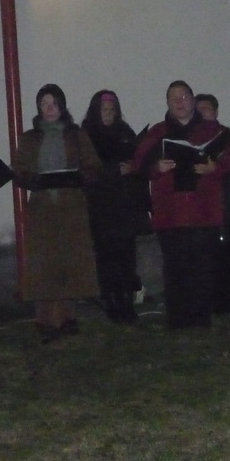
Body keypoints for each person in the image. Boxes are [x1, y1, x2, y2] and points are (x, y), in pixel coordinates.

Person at [133, 80, 230, 330]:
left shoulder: (214, 131)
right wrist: (156, 167)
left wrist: (215, 168)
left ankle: (201, 320)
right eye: (173, 98)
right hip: (170, 214)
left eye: (183, 97)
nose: (179, 102)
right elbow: (138, 164)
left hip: (204, 212)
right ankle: (179, 321)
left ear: (192, 100)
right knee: (175, 268)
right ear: (167, 103)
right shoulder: (157, 133)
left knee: (202, 268)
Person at [12, 84, 104, 342]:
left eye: (53, 103)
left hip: (71, 206)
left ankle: (67, 317)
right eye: (44, 104)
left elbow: (94, 165)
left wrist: (79, 177)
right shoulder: (30, 138)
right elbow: (18, 169)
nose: (49, 108)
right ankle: (46, 319)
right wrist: (32, 179)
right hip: (42, 207)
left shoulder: (76, 135)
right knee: (44, 263)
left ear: (62, 106)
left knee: (70, 260)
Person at [81, 90, 148, 323]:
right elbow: (86, 172)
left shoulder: (125, 132)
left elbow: (138, 160)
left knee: (127, 257)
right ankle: (113, 304)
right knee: (107, 259)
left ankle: (127, 303)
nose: (108, 114)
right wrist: (113, 171)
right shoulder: (87, 136)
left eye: (112, 110)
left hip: (125, 205)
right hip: (101, 207)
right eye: (104, 110)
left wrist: (133, 167)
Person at [195, 93, 230, 314]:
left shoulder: (227, 135)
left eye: (206, 108)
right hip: (199, 205)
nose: (202, 113)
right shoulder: (190, 135)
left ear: (215, 111)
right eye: (198, 109)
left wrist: (216, 168)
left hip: (223, 202)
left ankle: (226, 304)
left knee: (224, 253)